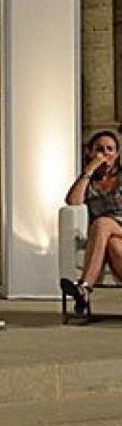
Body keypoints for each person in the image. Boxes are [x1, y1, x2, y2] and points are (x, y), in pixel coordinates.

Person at [60, 130, 122, 316]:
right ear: (90, 152)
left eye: (110, 149)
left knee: (102, 223)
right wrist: (89, 170)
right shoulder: (90, 182)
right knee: (112, 243)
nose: (105, 154)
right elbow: (73, 201)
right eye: (99, 149)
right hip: (108, 235)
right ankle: (83, 291)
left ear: (117, 154)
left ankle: (84, 287)